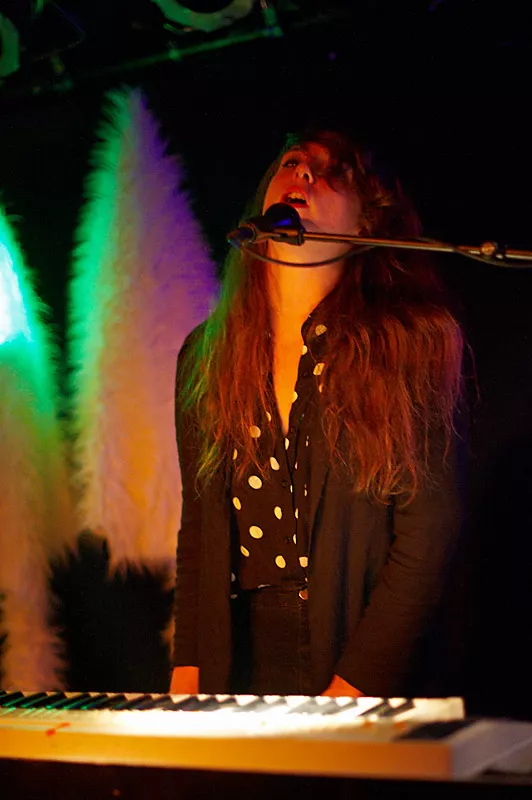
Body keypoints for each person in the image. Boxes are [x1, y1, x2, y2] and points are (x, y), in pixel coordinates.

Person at [170, 129, 464, 698]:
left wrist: (351, 691)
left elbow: (428, 534)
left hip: (361, 665)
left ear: (367, 224)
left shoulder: (410, 343)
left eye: (335, 173)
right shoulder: (205, 355)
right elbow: (200, 530)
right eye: (293, 161)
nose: (304, 174)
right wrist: (187, 679)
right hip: (242, 667)